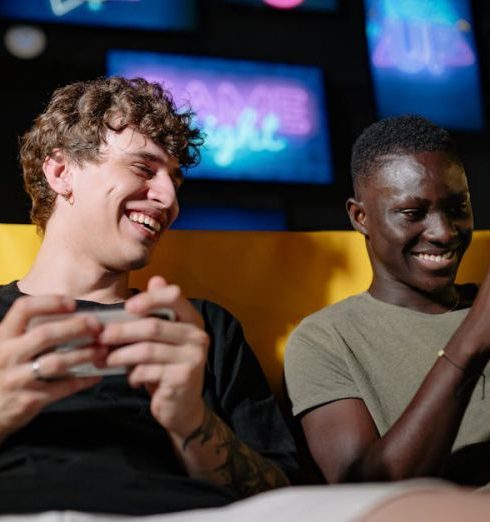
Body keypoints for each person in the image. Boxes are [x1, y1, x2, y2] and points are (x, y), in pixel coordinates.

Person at [0, 76, 297, 515]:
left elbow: (283, 502)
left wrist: (191, 421)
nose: (169, 198)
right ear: (61, 172)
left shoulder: (202, 328)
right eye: (143, 169)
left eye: (175, 180)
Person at [285, 115, 490, 487]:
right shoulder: (326, 339)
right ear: (360, 217)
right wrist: (472, 340)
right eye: (413, 213)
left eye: (457, 207)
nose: (444, 232)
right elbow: (363, 489)